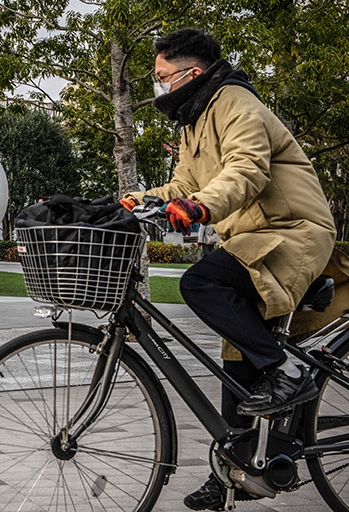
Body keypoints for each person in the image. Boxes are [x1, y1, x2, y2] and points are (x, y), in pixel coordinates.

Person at [120, 29, 336, 510]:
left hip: (291, 233)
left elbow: (247, 169)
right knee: (237, 368)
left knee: (199, 281)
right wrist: (136, 202)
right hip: (254, 241)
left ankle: (289, 370)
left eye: (161, 78)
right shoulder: (194, 121)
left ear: (190, 74)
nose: (158, 88)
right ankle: (235, 475)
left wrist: (201, 208)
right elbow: (183, 185)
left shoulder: (235, 101)